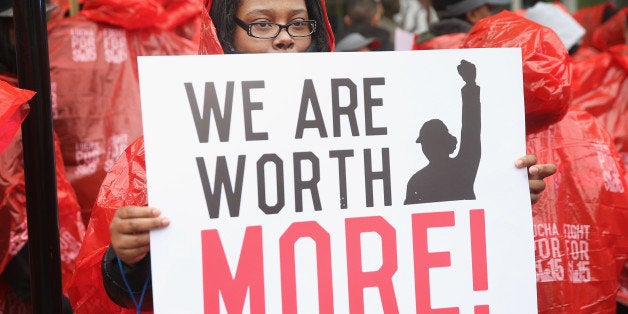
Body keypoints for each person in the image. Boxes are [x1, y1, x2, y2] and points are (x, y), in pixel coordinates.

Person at [67, 0, 555, 312]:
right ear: (223, 31)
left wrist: (500, 193)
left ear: (317, 33)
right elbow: (119, 294)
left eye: (297, 23)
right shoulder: (164, 152)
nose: (283, 37)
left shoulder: (381, 131)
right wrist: (127, 258)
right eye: (261, 24)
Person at [405, 59, 480, 204]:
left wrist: (470, 86)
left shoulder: (463, 167)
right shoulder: (416, 181)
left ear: (444, 143)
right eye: (425, 144)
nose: (426, 148)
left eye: (431, 142)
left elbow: (471, 129)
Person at [413, 0, 510, 49]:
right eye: (489, 9)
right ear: (473, 15)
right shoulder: (484, 50)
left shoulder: (420, 46)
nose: (491, 15)